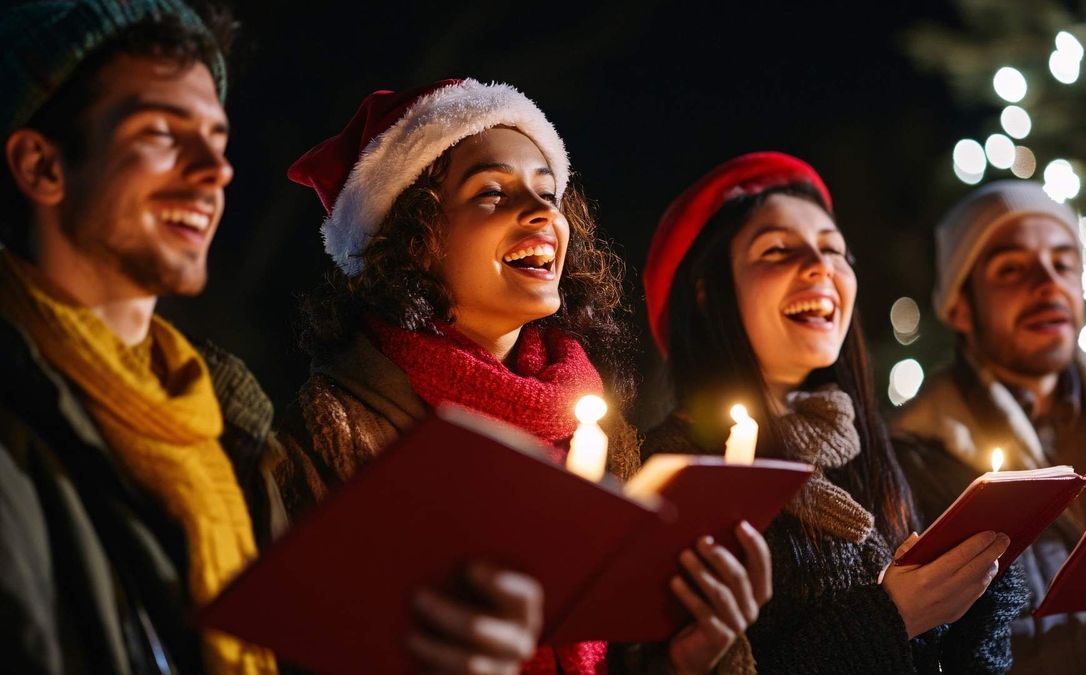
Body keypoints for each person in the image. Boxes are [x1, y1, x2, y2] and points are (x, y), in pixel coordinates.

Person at [275, 79, 771, 674]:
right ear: (412, 239)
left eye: (548, 192)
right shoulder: (331, 436)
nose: (542, 213)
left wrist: (687, 660)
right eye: (491, 192)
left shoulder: (597, 430)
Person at [640, 152, 1027, 673]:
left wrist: (980, 600)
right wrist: (891, 618)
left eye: (834, 249)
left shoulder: (881, 456)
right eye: (778, 250)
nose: (820, 265)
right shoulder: (673, 472)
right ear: (707, 293)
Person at [0, 1, 279, 672]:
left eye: (216, 138)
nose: (216, 169)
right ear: (41, 165)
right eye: (160, 132)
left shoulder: (231, 432)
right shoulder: (16, 436)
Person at [890, 180, 1086, 673]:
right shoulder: (916, 465)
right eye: (1011, 269)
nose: (1047, 284)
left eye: (1063, 263)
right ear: (960, 306)